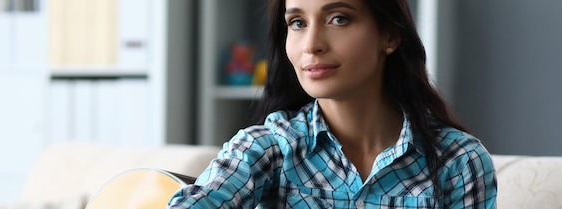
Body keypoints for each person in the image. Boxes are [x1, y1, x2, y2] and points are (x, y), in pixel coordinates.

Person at [167, 0, 497, 208]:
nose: (311, 45)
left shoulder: (459, 161)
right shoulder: (267, 149)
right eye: (297, 22)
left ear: (390, 36)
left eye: (338, 18)